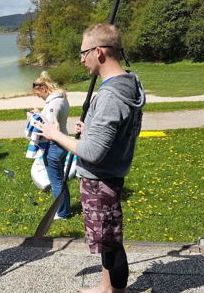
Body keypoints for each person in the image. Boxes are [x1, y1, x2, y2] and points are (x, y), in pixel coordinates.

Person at [36, 23, 145, 293]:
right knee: (107, 241)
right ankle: (105, 287)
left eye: (83, 53)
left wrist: (55, 134)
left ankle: (115, 291)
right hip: (111, 173)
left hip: (101, 180)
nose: (81, 59)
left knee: (110, 244)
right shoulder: (129, 83)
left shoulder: (110, 95)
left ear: (98, 52)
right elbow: (118, 131)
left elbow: (93, 153)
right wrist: (92, 129)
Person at [30, 71, 71, 219]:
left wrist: (33, 118)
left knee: (56, 181)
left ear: (44, 89)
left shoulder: (54, 103)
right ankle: (64, 209)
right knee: (60, 179)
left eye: (38, 94)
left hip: (54, 145)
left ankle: (63, 213)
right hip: (62, 142)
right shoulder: (61, 99)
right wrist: (39, 112)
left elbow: (48, 124)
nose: (38, 97)